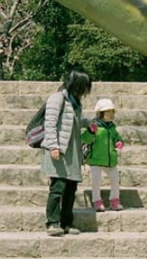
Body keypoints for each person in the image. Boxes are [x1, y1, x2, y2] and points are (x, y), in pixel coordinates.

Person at [41, 68, 93, 236]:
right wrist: (53, 146)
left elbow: (74, 122)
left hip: (73, 153)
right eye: (83, 86)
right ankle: (52, 223)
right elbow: (50, 123)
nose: (84, 91)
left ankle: (66, 223)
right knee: (58, 188)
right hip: (59, 150)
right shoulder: (57, 99)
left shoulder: (76, 101)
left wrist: (88, 123)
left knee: (71, 189)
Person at [82, 97, 125, 211]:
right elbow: (85, 139)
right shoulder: (95, 126)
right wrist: (91, 132)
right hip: (96, 159)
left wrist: (119, 141)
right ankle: (97, 201)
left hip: (111, 159)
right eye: (108, 112)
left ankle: (114, 200)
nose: (111, 114)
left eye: (112, 111)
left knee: (115, 180)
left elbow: (116, 136)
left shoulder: (112, 126)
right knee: (96, 181)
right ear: (100, 113)